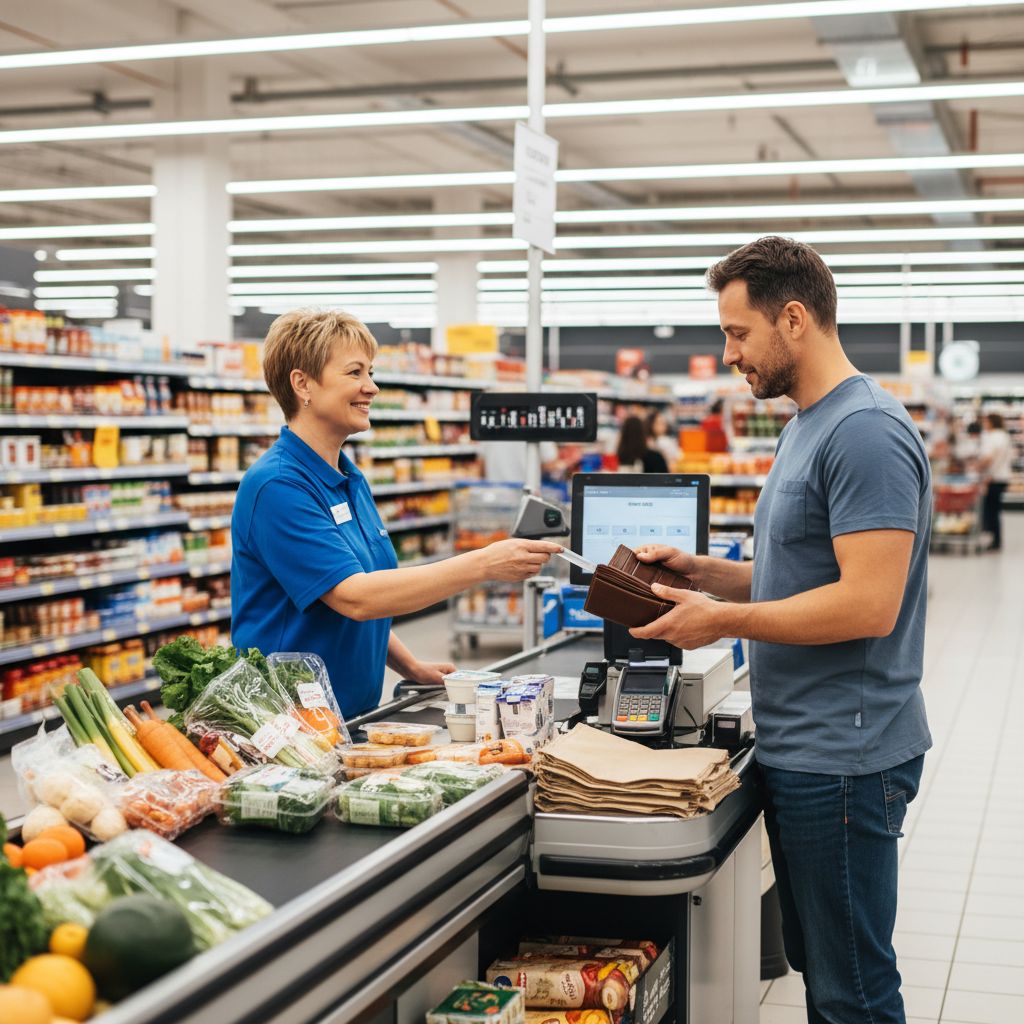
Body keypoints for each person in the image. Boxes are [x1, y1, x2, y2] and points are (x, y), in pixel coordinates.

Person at [628, 236, 932, 1024]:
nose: (727, 354)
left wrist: (721, 620)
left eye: (736, 333)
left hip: (846, 757)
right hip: (806, 748)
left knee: (853, 993)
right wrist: (703, 574)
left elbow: (868, 604)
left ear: (793, 319)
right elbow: (804, 579)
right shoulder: (806, 424)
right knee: (824, 972)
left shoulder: (864, 430)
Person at [231, 309, 562, 718]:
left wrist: (409, 665)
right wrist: (484, 563)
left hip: (349, 715)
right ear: (303, 384)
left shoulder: (347, 478)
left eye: (370, 372)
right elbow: (354, 597)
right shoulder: (278, 486)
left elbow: (359, 588)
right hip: (289, 723)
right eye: (354, 373)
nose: (371, 387)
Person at [978, 412, 1012, 551]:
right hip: (1003, 477)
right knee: (995, 510)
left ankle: (995, 541)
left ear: (992, 422)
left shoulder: (992, 437)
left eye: (986, 422)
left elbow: (988, 458)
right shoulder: (1004, 436)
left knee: (991, 510)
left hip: (992, 478)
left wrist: (977, 467)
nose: (984, 424)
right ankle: (996, 539)